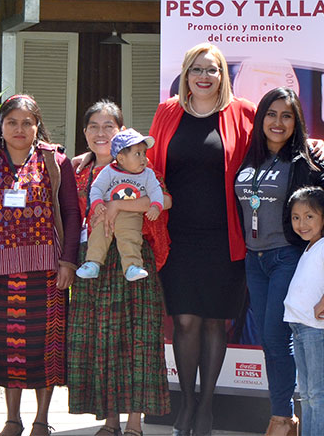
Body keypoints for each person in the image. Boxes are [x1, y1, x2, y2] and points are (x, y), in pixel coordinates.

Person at [146, 43, 253, 436]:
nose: (204, 77)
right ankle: (186, 405)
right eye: (197, 69)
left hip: (226, 237)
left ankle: (206, 407)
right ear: (186, 74)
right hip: (177, 237)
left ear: (223, 75)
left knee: (214, 323)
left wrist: (306, 146)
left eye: (212, 70)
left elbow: (267, 150)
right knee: (185, 320)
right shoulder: (167, 112)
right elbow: (149, 168)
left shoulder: (242, 113)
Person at [0, 94, 80, 436]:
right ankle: (13, 419)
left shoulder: (54, 161)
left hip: (46, 272)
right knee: (8, 348)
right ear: (0, 127)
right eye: (12, 122)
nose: (19, 129)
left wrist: (68, 262)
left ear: (37, 127)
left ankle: (41, 419)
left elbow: (72, 212)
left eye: (27, 123)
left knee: (42, 348)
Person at [67, 100, 170, 436]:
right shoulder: (78, 170)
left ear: (120, 134)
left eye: (108, 126)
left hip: (134, 259)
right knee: (104, 341)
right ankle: (111, 421)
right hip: (94, 261)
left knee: (139, 338)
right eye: (94, 126)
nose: (101, 132)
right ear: (84, 133)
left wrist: (116, 204)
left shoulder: (142, 166)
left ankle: (135, 424)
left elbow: (164, 200)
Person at [235, 87, 324, 436]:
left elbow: (320, 211)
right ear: (260, 119)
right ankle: (285, 414)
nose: (278, 122)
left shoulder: (304, 162)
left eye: (286, 115)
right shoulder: (247, 158)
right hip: (252, 259)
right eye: (271, 114)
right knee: (269, 340)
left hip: (285, 257)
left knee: (275, 337)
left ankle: (281, 417)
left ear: (296, 121)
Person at [282, 186, 324, 436]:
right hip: (300, 328)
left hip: (316, 330)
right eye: (296, 217)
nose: (302, 223)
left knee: (317, 393)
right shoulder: (309, 248)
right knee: (307, 393)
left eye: (309, 216)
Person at [78, 129, 163, 282]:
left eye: (144, 153)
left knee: (130, 237)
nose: (143, 158)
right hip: (105, 211)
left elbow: (156, 190)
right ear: (121, 158)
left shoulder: (148, 174)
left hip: (131, 214)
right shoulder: (109, 171)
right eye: (138, 154)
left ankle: (132, 266)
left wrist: (156, 206)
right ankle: (92, 263)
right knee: (99, 234)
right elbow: (96, 188)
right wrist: (97, 203)